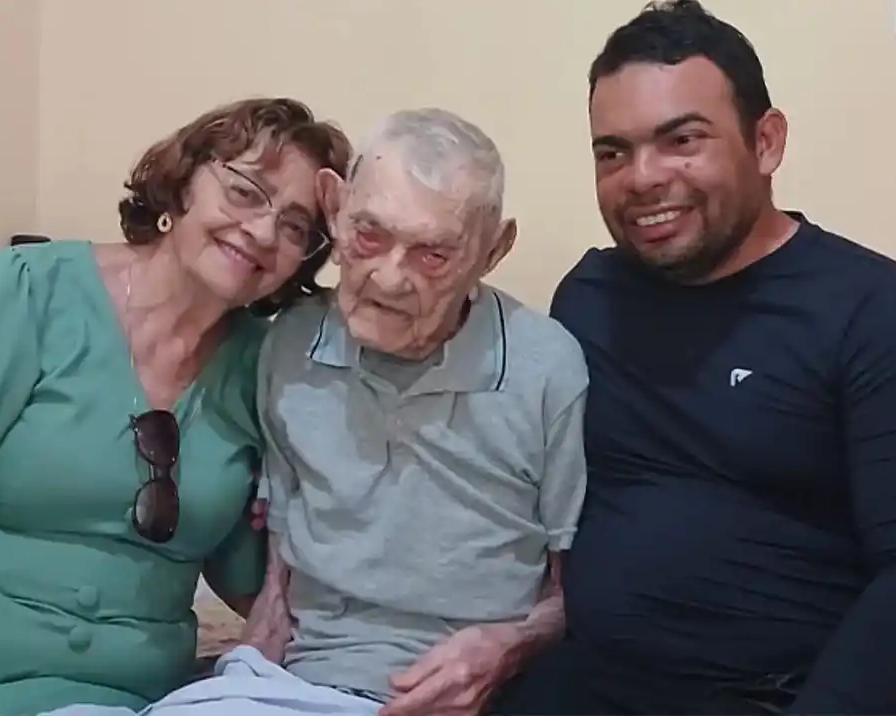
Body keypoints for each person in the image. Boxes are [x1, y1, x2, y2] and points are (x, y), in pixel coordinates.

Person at [45, 108, 590, 716]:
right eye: (369, 235)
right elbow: (280, 557)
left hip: (454, 697)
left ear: (492, 250)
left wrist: (505, 648)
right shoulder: (288, 345)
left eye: (433, 254)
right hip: (292, 686)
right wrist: (243, 664)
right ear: (335, 207)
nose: (389, 275)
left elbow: (579, 588)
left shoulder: (546, 368)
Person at [496, 0, 896, 714]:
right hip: (588, 684)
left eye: (682, 140)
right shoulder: (589, 298)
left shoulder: (874, 310)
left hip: (777, 696)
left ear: (765, 142)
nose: (641, 176)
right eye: (612, 151)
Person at [0, 97, 351, 715]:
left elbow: (257, 580)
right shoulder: (25, 292)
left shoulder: (268, 368)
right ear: (182, 185)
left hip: (104, 697)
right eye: (246, 191)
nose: (263, 231)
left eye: (297, 226)